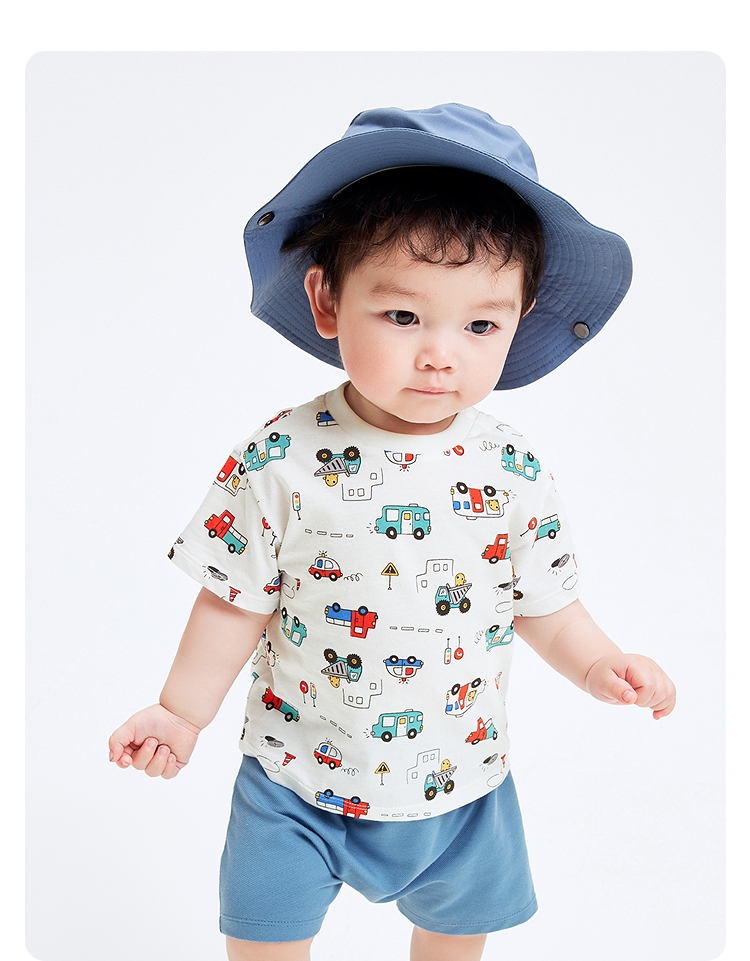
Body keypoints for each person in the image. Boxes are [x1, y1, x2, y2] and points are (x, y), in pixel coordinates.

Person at [109, 104, 676, 961]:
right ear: (328, 300)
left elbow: (545, 603)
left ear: (520, 319)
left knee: (453, 936)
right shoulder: (280, 459)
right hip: (296, 779)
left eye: (480, 325)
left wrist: (599, 661)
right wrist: (181, 712)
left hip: (460, 782)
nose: (441, 354)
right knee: (262, 935)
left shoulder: (511, 469)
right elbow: (233, 601)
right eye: (404, 316)